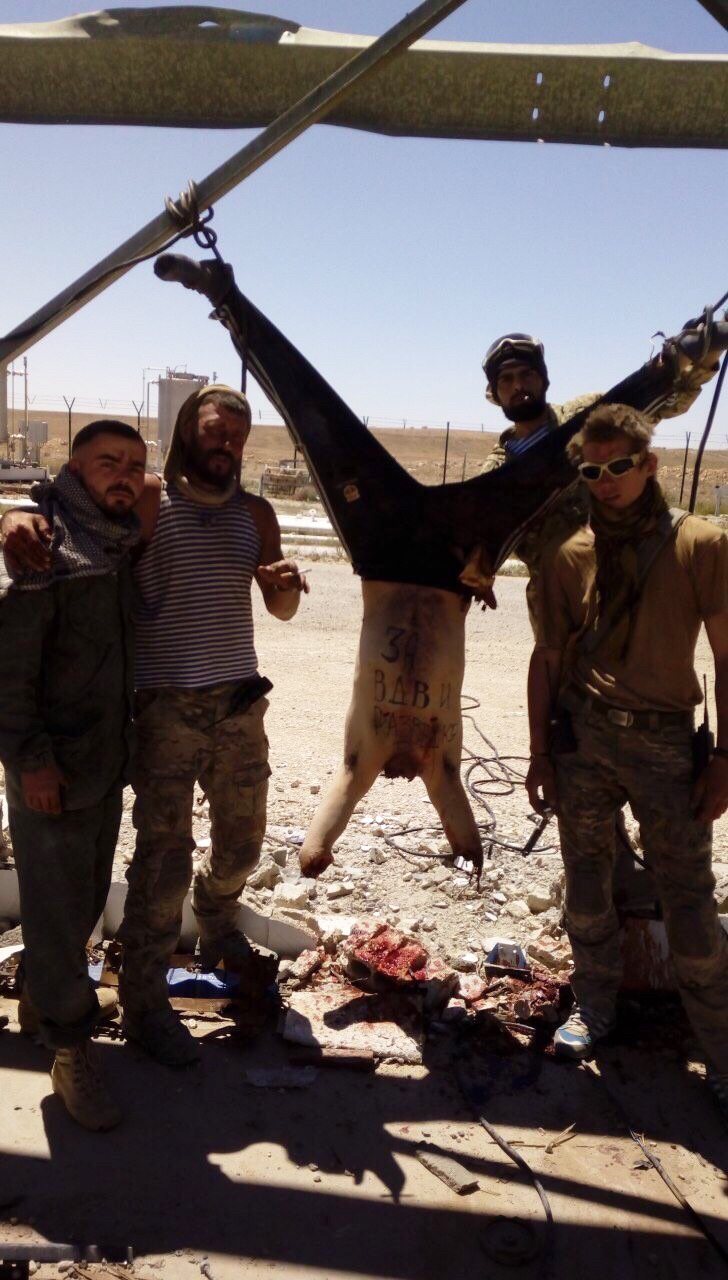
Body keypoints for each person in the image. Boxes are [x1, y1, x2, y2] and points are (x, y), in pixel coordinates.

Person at [525, 402, 728, 1120]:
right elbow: (547, 660)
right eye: (591, 471)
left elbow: (727, 659)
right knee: (586, 885)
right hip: (585, 741)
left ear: (649, 464)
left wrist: (725, 758)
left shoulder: (699, 543)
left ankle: (720, 1048)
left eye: (618, 466)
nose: (605, 481)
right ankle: (595, 1006)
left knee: (689, 898)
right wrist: (541, 752)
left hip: (667, 744)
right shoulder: (569, 554)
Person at [116, 384, 308, 1067]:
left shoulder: (255, 514)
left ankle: (217, 918)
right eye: (213, 430)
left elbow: (280, 609)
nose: (226, 443)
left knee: (243, 846)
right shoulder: (148, 500)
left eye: (237, 435)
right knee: (162, 859)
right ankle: (143, 1002)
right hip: (165, 705)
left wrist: (283, 582)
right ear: (186, 433)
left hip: (238, 705)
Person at [0, 420, 146, 1130]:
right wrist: (30, 762)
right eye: (108, 461)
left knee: (80, 901)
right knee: (60, 910)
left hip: (99, 764)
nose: (125, 475)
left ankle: (40, 999)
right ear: (74, 468)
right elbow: (10, 674)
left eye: (135, 465)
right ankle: (68, 1048)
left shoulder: (113, 541)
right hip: (50, 771)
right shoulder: (43, 546)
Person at [480, 332, 717, 632]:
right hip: (558, 609)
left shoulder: (588, 417)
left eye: (527, 374)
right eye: (506, 379)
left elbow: (663, 400)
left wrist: (703, 356)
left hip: (631, 584)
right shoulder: (496, 474)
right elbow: (476, 540)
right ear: (495, 392)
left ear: (543, 378)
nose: (518, 386)